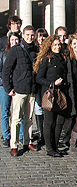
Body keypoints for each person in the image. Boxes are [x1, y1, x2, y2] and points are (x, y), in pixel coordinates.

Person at [2, 25, 39, 156]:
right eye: (27, 35)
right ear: (22, 35)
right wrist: (8, 88)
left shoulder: (36, 50)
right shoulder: (15, 50)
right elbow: (6, 70)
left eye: (32, 35)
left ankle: (27, 141)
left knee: (29, 118)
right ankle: (14, 144)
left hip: (32, 89)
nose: (30, 37)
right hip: (19, 89)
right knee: (16, 118)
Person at [35, 34, 71, 157]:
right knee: (49, 122)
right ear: (50, 45)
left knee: (60, 121)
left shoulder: (62, 58)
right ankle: (49, 148)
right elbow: (39, 78)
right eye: (55, 45)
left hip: (61, 93)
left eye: (59, 45)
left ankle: (55, 146)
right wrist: (52, 83)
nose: (57, 47)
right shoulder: (47, 59)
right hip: (49, 94)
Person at [0, 32, 20, 147]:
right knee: (5, 112)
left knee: (19, 112)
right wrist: (7, 86)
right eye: (12, 40)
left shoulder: (21, 53)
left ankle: (21, 135)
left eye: (16, 40)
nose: (14, 42)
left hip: (17, 85)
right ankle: (7, 137)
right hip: (4, 85)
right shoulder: (3, 53)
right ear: (9, 41)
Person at [33, 28, 48, 145]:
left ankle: (46, 133)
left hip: (45, 83)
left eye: (43, 36)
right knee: (38, 107)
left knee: (45, 106)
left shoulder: (48, 51)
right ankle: (40, 132)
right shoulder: (33, 50)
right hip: (35, 83)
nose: (41, 39)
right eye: (39, 36)